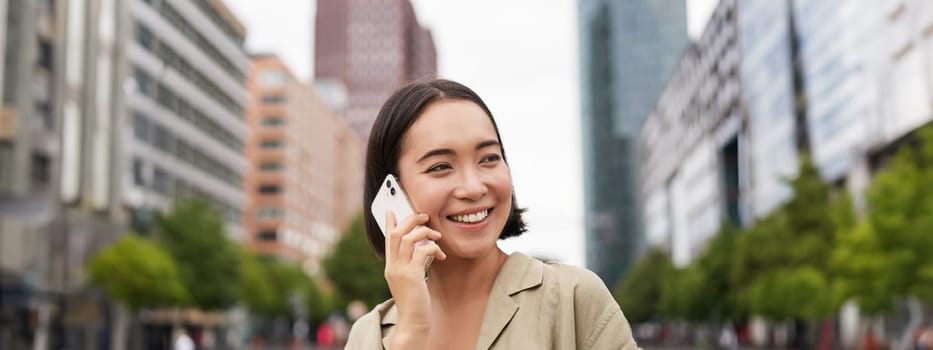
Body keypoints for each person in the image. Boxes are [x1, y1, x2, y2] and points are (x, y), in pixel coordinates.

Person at [345, 79, 639, 349]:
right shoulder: (367, 336)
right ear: (390, 195)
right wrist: (411, 332)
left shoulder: (573, 300)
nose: (473, 187)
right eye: (440, 166)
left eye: (488, 158)